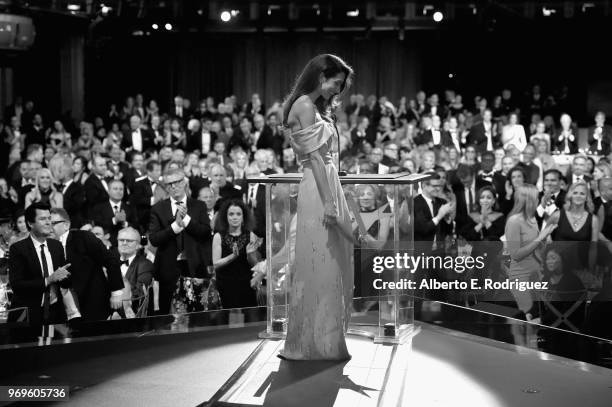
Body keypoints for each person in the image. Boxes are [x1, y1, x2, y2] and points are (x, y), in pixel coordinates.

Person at [280, 54, 355, 360]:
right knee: (318, 265)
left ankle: (323, 340)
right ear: (321, 76)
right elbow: (313, 157)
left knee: (327, 264)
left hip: (324, 180)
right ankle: (310, 343)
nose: (337, 91)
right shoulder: (304, 105)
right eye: (336, 83)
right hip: (317, 187)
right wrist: (329, 203)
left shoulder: (310, 105)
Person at [148, 168, 211, 314]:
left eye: (176, 182)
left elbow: (206, 233)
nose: (173, 186)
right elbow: (154, 239)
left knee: (197, 313)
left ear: (184, 183)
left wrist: (186, 220)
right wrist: (175, 226)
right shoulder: (158, 208)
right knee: (167, 314)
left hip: (195, 267)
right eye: (169, 184)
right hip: (167, 269)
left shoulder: (198, 205)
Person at [8, 203, 72, 336]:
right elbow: (17, 285)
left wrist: (67, 276)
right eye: (43, 219)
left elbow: (65, 281)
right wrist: (49, 280)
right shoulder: (18, 249)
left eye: (49, 218)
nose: (49, 223)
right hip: (29, 315)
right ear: (30, 223)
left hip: (56, 312)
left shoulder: (57, 246)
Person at [50, 208, 124, 321]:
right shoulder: (48, 246)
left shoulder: (83, 237)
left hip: (94, 301)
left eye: (53, 223)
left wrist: (116, 292)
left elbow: (110, 260)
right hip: (65, 308)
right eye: (46, 224)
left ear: (66, 225)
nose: (49, 227)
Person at [504, 185, 557, 321]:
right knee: (527, 319)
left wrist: (545, 238)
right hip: (521, 276)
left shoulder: (532, 219)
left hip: (537, 274)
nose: (538, 200)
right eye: (536, 197)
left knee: (539, 318)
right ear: (527, 200)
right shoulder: (514, 221)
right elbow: (516, 254)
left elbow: (536, 247)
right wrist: (540, 238)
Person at [212, 199, 261, 309]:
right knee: (230, 321)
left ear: (243, 217)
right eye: (231, 214)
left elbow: (256, 265)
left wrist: (249, 254)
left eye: (238, 214)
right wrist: (233, 256)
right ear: (226, 217)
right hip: (226, 285)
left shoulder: (251, 235)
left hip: (246, 285)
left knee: (249, 320)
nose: (235, 217)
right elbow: (216, 264)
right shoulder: (218, 236)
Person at [551, 181, 598, 271]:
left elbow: (593, 249)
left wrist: (591, 271)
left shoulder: (593, 220)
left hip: (580, 268)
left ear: (586, 198)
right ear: (570, 196)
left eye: (582, 193)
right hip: (558, 269)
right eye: (575, 193)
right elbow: (543, 237)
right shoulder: (557, 216)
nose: (578, 196)